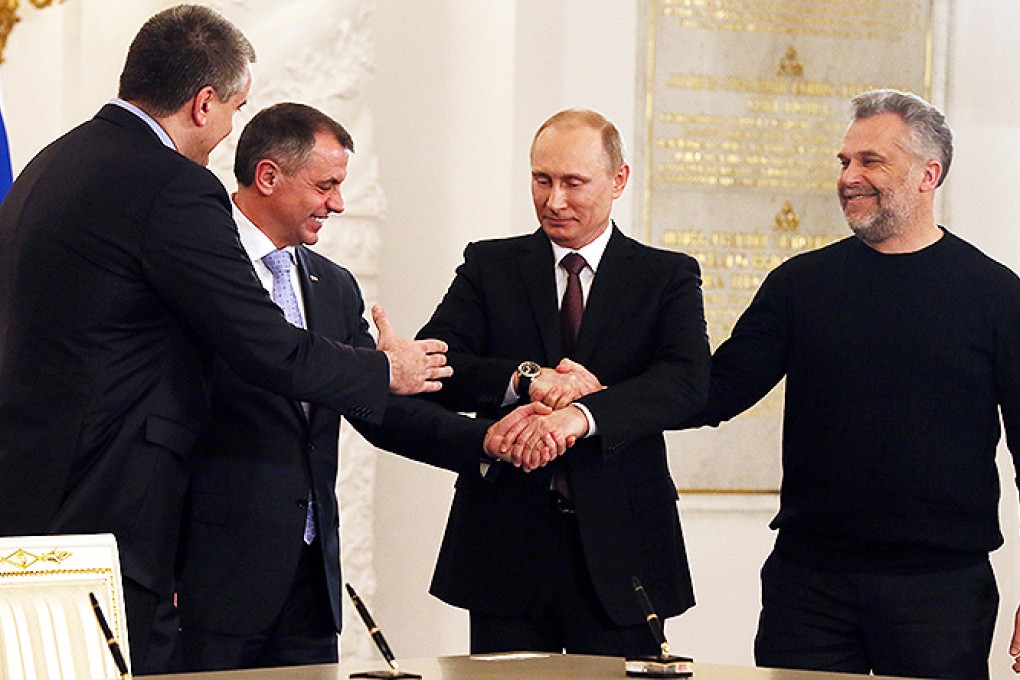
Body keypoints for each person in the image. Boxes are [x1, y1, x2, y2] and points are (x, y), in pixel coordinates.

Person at [0, 6, 450, 673]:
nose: (230, 130)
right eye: (236, 109)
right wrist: (383, 369)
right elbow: (265, 344)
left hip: (31, 501)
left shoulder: (49, 165)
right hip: (112, 508)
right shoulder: (171, 185)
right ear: (204, 103)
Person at [173, 102, 555, 671]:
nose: (339, 203)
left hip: (308, 588)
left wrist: (485, 440)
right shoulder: (198, 264)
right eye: (325, 185)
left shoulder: (333, 286)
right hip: (206, 580)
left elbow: (377, 408)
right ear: (269, 176)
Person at [689, 89, 1020, 679]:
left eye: (870, 161)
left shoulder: (995, 295)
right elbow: (714, 391)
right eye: (844, 161)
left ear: (928, 174)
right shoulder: (801, 284)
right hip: (809, 587)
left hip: (940, 593)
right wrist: (601, 392)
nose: (849, 177)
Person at [416, 109, 710, 656]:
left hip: (622, 549)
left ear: (618, 180)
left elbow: (686, 382)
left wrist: (585, 412)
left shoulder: (665, 276)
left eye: (574, 183)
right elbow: (438, 363)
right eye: (541, 180)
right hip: (505, 542)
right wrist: (527, 379)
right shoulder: (489, 265)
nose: (555, 201)